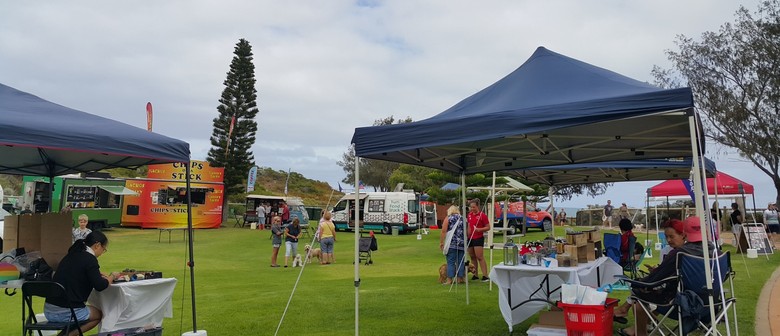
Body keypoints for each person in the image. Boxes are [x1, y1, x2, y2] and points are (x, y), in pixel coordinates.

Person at [615, 218, 710, 336]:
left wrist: (639, 283)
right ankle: (631, 318)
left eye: (672, 236)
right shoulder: (715, 254)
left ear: (684, 235)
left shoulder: (680, 253)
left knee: (640, 299)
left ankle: (637, 328)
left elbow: (655, 279)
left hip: (683, 304)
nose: (668, 240)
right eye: (667, 237)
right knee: (644, 294)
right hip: (711, 305)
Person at [45, 231, 120, 336]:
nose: (102, 252)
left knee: (79, 314)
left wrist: (96, 274)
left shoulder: (72, 255)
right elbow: (100, 286)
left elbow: (76, 273)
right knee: (98, 315)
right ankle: (68, 335)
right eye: (104, 249)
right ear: (97, 245)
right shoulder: (90, 259)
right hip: (67, 312)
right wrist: (112, 276)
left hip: (49, 310)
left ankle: (64, 334)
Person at [439, 205, 466, 285]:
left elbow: (444, 230)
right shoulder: (463, 218)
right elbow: (468, 231)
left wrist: (441, 242)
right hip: (462, 244)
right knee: (460, 262)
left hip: (452, 243)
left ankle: (449, 279)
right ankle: (460, 278)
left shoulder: (448, 218)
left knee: (450, 262)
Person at [467, 199, 490, 282]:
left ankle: (485, 275)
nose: (472, 209)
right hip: (470, 238)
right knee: (472, 257)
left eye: (474, 207)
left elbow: (488, 227)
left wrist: (479, 229)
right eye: (471, 207)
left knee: (479, 256)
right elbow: (469, 226)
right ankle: (475, 274)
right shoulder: (469, 215)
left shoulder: (482, 215)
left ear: (477, 206)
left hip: (478, 237)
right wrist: (467, 235)